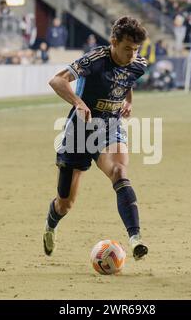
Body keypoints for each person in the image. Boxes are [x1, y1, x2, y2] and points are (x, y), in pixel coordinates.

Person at [43, 16, 149, 261]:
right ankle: (51, 223)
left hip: (110, 127)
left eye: (135, 50)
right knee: (65, 203)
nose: (131, 55)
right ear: (113, 42)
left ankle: (136, 239)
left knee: (119, 173)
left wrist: (128, 101)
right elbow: (57, 80)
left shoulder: (137, 63)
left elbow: (127, 79)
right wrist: (78, 103)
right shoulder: (95, 59)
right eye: (126, 49)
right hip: (80, 132)